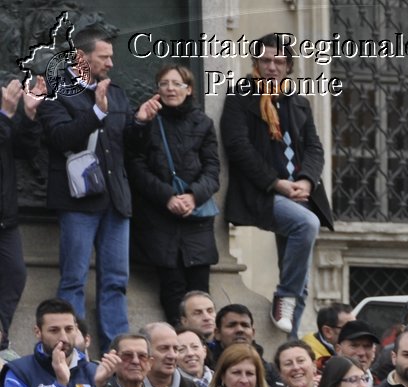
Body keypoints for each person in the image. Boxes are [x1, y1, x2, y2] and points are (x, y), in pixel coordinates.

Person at [39, 24, 143, 354]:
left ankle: (119, 351)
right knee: (73, 279)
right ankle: (74, 352)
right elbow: (60, 138)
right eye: (104, 57)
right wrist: (97, 111)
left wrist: (140, 123)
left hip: (116, 200)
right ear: (82, 57)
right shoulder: (55, 90)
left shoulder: (117, 92)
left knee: (116, 280)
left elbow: (128, 146)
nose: (111, 63)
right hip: (79, 202)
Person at [220, 33, 333, 334]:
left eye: (279, 61)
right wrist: (277, 184)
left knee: (301, 280)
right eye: (266, 60)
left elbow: (314, 148)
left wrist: (307, 181)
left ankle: (289, 343)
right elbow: (238, 147)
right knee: (306, 225)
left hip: (301, 192)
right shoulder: (241, 96)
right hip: (263, 193)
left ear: (288, 66)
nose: (272, 67)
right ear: (256, 63)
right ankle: (283, 297)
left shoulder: (298, 102)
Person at [124, 64, 219, 324]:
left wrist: (192, 196)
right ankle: (179, 344)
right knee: (172, 289)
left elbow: (212, 169)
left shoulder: (204, 123)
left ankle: (201, 352)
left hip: (196, 220)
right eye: (164, 83)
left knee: (200, 293)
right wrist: (167, 196)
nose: (170, 89)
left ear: (189, 89)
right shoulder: (145, 119)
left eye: (176, 84)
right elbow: (135, 164)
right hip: (159, 218)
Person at [0, 75, 42, 350]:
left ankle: (1, 336)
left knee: (15, 274)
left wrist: (28, 114)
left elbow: (25, 150)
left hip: (6, 218)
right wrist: (5, 113)